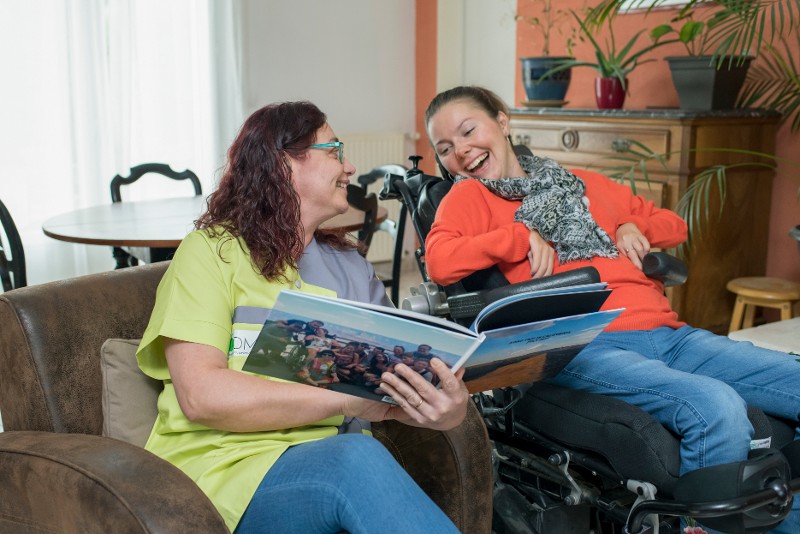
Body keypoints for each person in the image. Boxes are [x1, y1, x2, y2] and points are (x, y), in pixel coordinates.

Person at [423, 85, 800, 533]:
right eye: (445, 149)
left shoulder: (584, 184)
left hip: (669, 335)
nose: (461, 152)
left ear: (502, 121)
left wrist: (628, 225)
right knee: (714, 406)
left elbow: (673, 225)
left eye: (469, 131)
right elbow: (441, 262)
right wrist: (519, 236)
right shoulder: (469, 198)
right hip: (584, 344)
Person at [136, 101, 469, 533]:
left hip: (328, 463)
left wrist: (445, 409)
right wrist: (345, 400)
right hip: (221, 473)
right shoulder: (211, 252)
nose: (350, 167)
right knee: (357, 459)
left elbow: (392, 384)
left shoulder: (350, 268)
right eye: (334, 151)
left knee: (358, 458)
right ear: (283, 163)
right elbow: (201, 395)